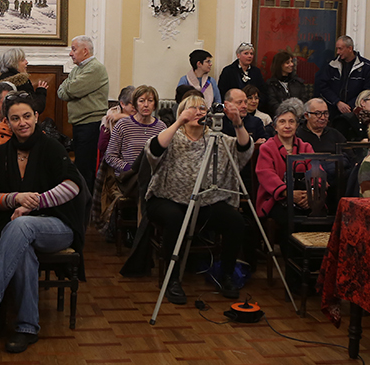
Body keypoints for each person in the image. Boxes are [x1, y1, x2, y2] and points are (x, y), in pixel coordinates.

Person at [0, 93, 86, 354]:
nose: (22, 123)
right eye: (15, 118)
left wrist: (35, 203)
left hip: (57, 226)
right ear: (7, 121)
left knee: (22, 225)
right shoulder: (1, 153)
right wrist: (14, 199)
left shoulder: (51, 147)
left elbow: (73, 186)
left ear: (36, 117)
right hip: (16, 228)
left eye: (27, 116)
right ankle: (27, 327)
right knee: (23, 246)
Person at [134, 92, 254, 302]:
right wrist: (179, 120)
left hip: (205, 200)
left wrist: (237, 123)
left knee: (235, 221)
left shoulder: (216, 138)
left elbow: (243, 149)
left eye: (202, 108)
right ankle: (172, 279)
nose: (198, 111)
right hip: (166, 198)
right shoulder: (172, 136)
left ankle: (226, 274)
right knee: (175, 219)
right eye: (193, 108)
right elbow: (153, 149)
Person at [56, 35, 109, 193]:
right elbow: (61, 92)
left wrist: (68, 84)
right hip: (80, 124)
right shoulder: (79, 69)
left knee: (85, 169)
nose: (71, 53)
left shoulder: (95, 68)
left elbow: (70, 90)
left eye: (74, 49)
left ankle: (87, 209)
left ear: (85, 51)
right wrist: (68, 84)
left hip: (90, 125)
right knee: (80, 166)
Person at [255, 98, 314, 230]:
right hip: (276, 200)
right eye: (282, 122)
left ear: (297, 125)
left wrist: (311, 194)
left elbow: (317, 172)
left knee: (317, 216)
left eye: (291, 122)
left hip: (306, 198)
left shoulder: (306, 147)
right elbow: (267, 175)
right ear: (275, 127)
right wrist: (290, 194)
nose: (287, 126)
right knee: (291, 220)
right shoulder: (267, 148)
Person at [315, 36, 370, 133]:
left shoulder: (366, 66)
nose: (338, 52)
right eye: (337, 49)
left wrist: (350, 105)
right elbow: (323, 86)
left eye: (340, 49)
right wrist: (337, 102)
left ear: (350, 48)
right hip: (333, 111)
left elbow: (368, 91)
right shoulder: (331, 65)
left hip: (356, 114)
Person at [0, 48, 48, 113]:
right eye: (23, 60)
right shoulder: (22, 83)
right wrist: (41, 91)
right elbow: (36, 108)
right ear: (13, 63)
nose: (26, 62)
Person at [262, 51, 306, 119]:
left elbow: (303, 100)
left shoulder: (298, 82)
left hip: (297, 118)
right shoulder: (271, 84)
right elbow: (272, 104)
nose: (291, 64)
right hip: (278, 118)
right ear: (279, 65)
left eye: (291, 61)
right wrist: (286, 114)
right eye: (287, 62)